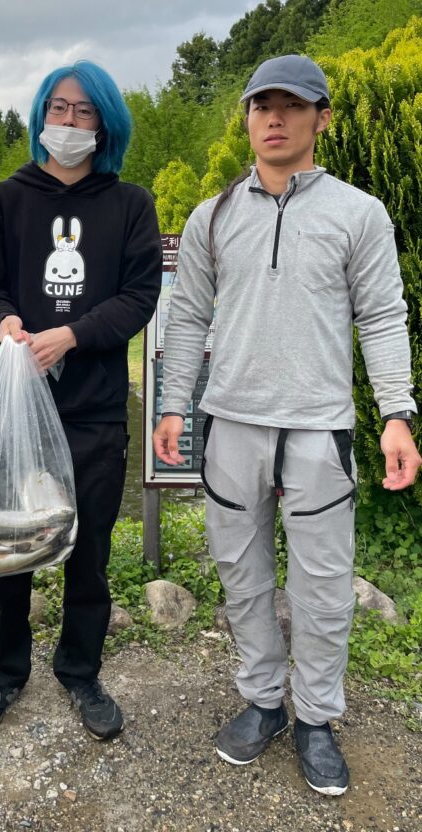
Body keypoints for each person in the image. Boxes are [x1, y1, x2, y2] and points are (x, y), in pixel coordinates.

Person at [153, 54, 420, 796]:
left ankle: (317, 718)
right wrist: (173, 404)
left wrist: (397, 414)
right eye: (260, 105)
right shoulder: (212, 217)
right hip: (231, 423)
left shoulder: (359, 213)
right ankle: (264, 700)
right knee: (242, 576)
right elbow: (187, 318)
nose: (274, 118)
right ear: (246, 118)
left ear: (321, 118)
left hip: (318, 428)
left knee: (324, 585)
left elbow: (382, 316)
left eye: (292, 105)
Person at [0, 60, 162, 739]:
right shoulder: (4, 199)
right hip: (16, 407)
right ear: (40, 115)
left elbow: (139, 297)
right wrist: (5, 324)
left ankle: (80, 672)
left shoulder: (129, 204)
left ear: (105, 124)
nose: (69, 121)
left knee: (90, 550)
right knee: (10, 544)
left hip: (96, 408)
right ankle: (3, 672)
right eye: (58, 108)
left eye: (84, 111)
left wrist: (73, 334)